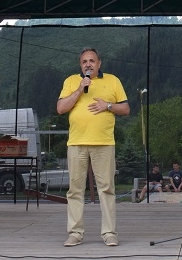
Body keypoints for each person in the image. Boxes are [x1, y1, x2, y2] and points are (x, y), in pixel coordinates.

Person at [57, 47, 129, 247]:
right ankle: (75, 233)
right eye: (84, 62)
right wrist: (80, 89)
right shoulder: (71, 81)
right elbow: (61, 108)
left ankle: (109, 233)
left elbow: (125, 109)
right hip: (77, 143)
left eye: (91, 61)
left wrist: (108, 106)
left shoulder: (113, 81)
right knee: (75, 190)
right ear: (80, 65)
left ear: (99, 63)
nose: (88, 64)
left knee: (106, 189)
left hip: (104, 143)